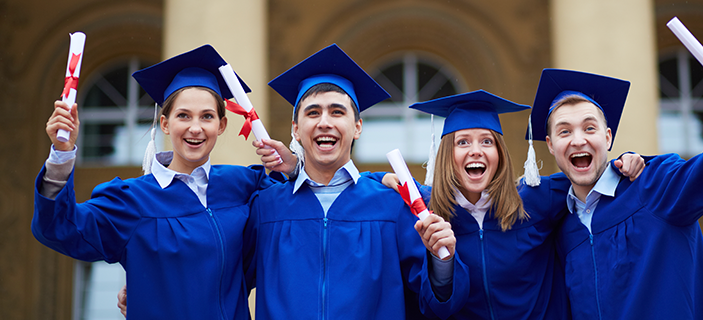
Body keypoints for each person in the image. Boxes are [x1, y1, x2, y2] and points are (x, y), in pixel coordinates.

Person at [32, 44, 297, 320]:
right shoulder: (132, 200)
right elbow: (60, 227)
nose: (195, 128)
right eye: (183, 115)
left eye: (207, 116)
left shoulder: (243, 185)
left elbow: (294, 216)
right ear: (165, 124)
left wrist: (291, 168)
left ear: (221, 125)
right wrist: (62, 154)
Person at [244, 44, 469, 319]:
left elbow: (437, 302)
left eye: (337, 112)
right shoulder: (266, 207)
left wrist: (442, 260)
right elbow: (223, 283)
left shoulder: (391, 205)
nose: (324, 122)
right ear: (296, 130)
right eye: (313, 113)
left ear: (358, 127)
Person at [528, 68, 703, 319]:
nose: (578, 140)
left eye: (589, 128)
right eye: (564, 131)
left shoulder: (653, 185)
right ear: (551, 145)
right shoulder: (561, 228)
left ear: (607, 138)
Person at [405, 89, 644, 320]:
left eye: (487, 141)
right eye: (463, 142)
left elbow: (590, 175)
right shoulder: (431, 218)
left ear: (500, 153)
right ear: (447, 154)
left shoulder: (537, 198)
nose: (476, 151)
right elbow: (437, 308)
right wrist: (442, 260)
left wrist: (625, 161)